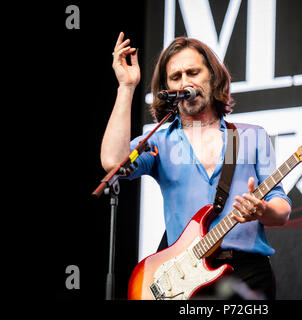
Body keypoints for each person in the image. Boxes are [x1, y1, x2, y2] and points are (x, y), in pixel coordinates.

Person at [101, 32, 291, 299]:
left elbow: (281, 211)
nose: (185, 82)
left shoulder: (250, 137)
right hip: (184, 279)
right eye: (176, 77)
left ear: (212, 77)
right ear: (167, 87)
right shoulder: (160, 141)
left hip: (246, 274)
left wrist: (262, 210)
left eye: (193, 73)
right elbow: (113, 161)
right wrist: (126, 87)